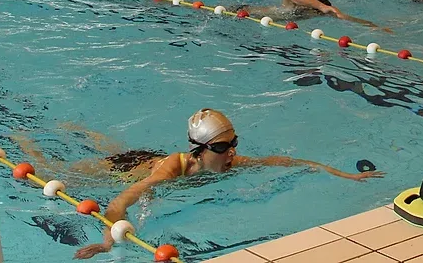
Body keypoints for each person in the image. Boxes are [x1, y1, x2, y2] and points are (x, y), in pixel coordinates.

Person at [43, 110, 383, 259]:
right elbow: (119, 204)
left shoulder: (229, 163)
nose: (233, 152)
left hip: (146, 155)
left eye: (234, 143)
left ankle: (82, 131)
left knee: (108, 145)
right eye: (223, 147)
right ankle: (38, 136)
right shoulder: (169, 174)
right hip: (124, 169)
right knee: (57, 170)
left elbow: (284, 162)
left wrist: (344, 174)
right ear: (201, 150)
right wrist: (106, 244)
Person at [239, 0, 389, 31]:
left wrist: (373, 25)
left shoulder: (306, 15)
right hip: (238, 12)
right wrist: (321, 7)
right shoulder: (290, 7)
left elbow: (346, 18)